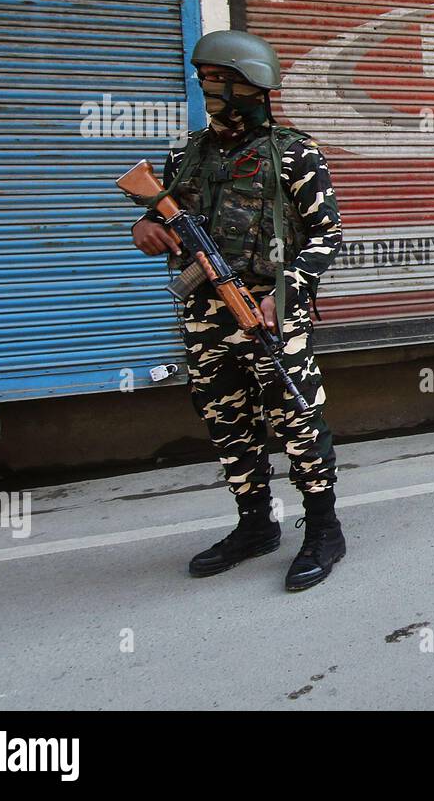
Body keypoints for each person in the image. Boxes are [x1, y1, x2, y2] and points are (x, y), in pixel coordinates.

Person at [130, 30, 346, 592]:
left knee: (297, 421)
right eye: (203, 80)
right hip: (206, 315)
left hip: (271, 312)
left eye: (214, 81)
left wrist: (287, 290)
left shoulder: (297, 154)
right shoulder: (185, 157)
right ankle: (255, 526)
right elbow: (154, 220)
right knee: (228, 423)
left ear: (246, 86)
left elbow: (328, 235)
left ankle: (323, 528)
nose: (205, 89)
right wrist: (145, 227)